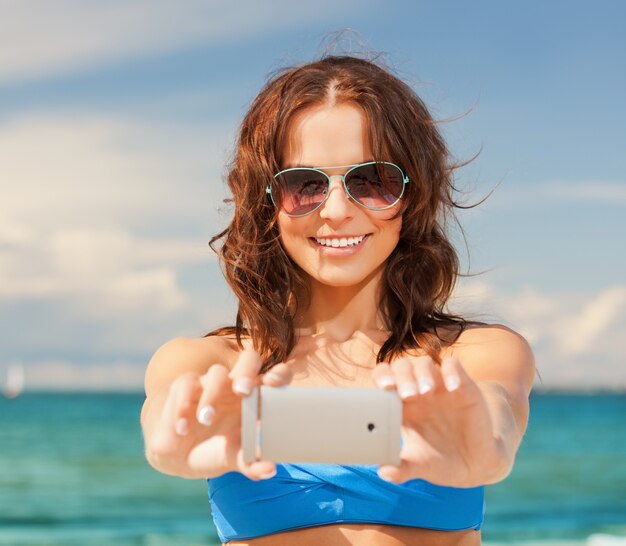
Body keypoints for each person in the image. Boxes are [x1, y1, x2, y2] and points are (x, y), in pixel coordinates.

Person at [141, 54, 535, 546]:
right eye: (304, 185)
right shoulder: (210, 363)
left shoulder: (471, 357)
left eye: (371, 180)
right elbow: (165, 422)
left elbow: (497, 412)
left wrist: (491, 447)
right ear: (268, 201)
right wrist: (169, 445)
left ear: (412, 194)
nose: (335, 211)